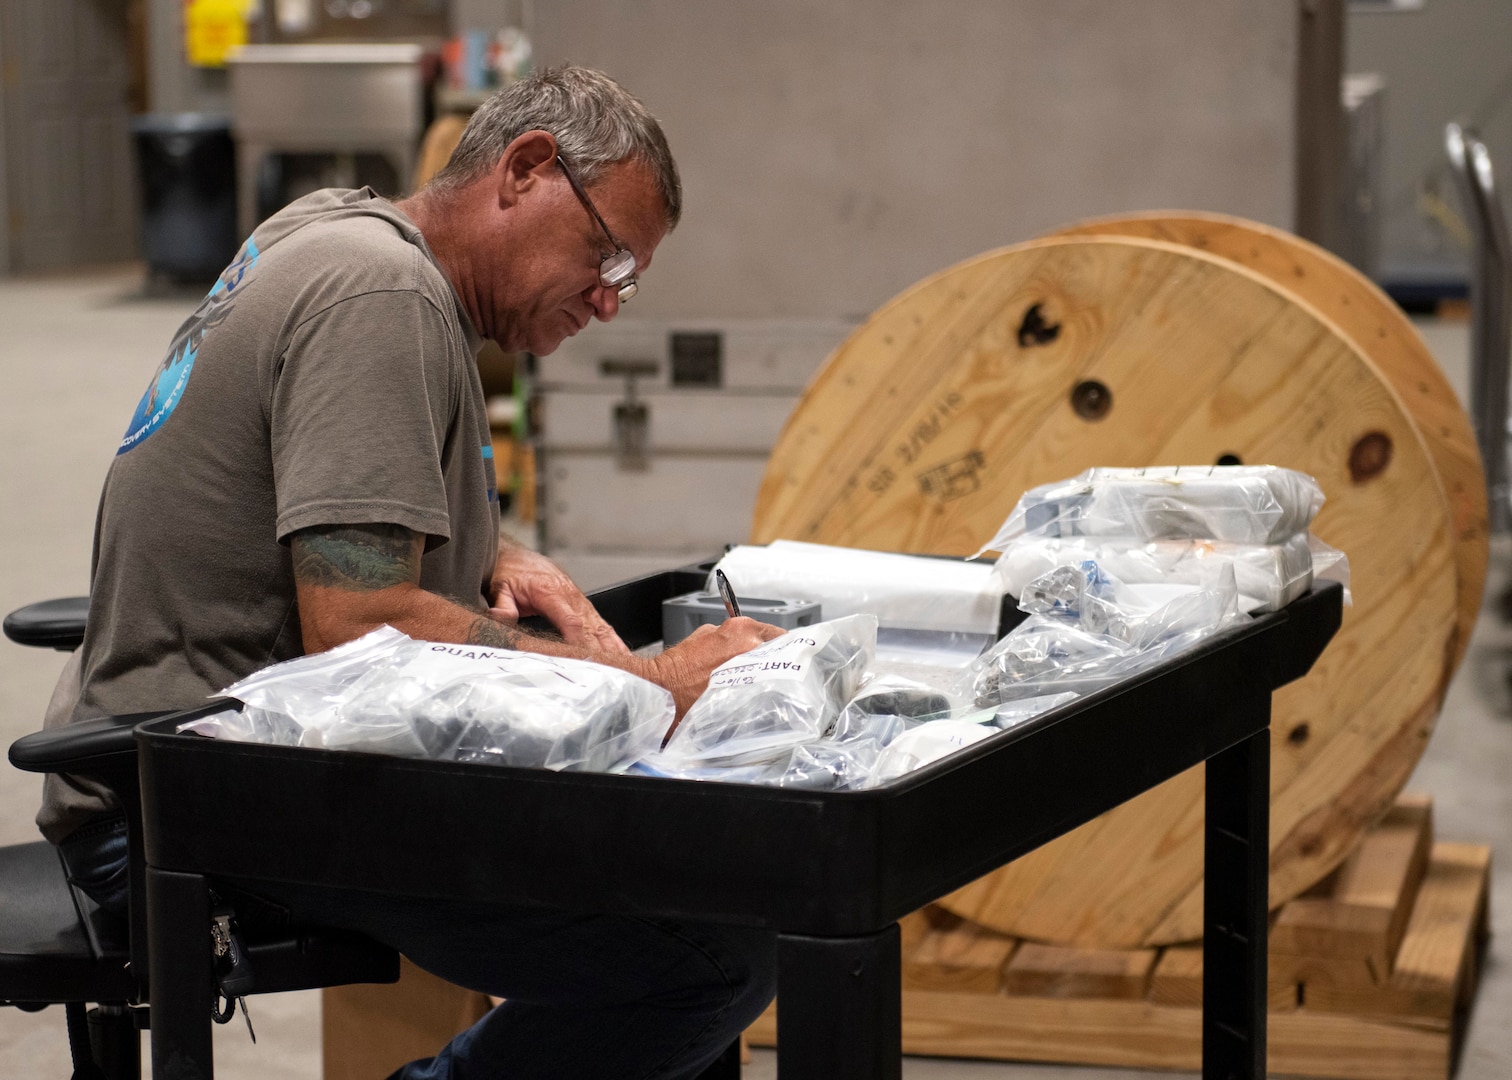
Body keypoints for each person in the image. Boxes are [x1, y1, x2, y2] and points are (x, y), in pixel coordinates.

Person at [40, 65, 783, 1079]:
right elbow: (356, 622)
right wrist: (654, 685)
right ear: (525, 170)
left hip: (207, 761)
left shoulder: (341, 228)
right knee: (714, 949)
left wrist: (485, 547)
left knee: (693, 876)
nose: (609, 300)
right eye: (607, 254)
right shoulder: (380, 294)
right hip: (192, 800)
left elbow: (303, 489)